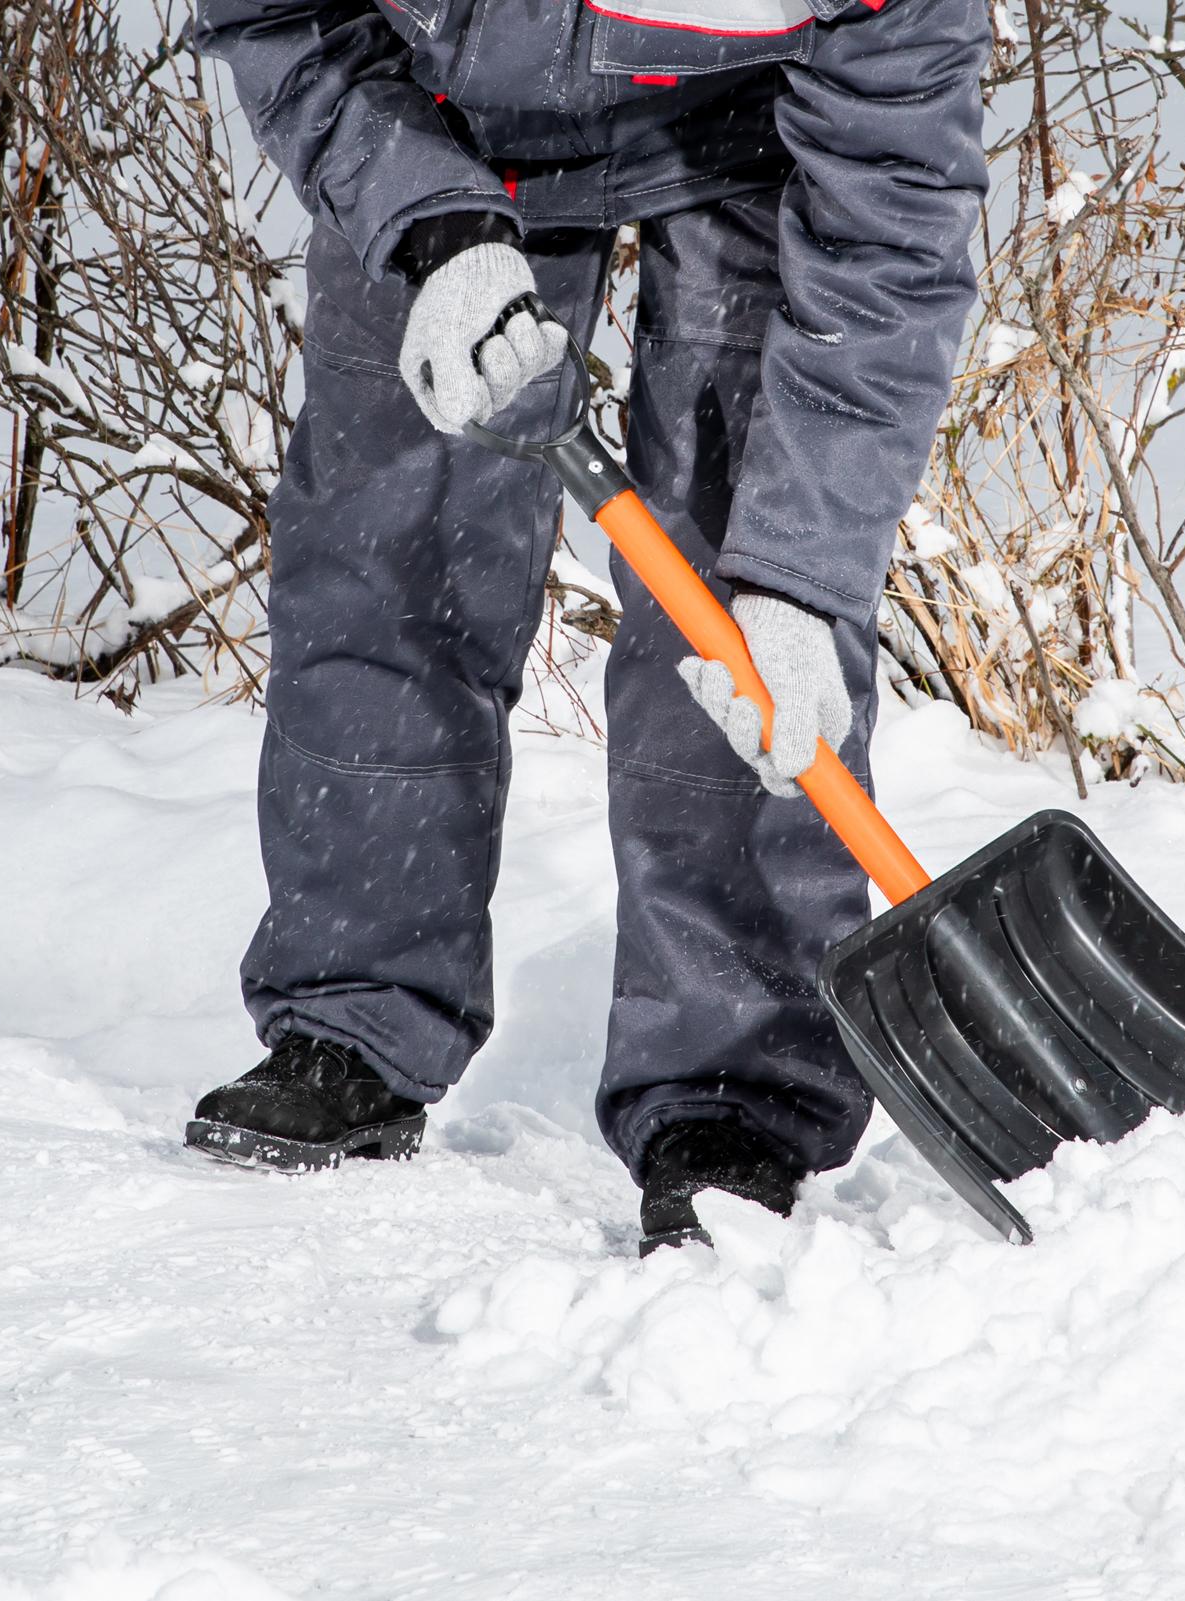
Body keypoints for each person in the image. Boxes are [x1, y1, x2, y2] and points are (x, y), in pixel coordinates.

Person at [185, 0, 989, 1253]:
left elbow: (889, 226)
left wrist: (801, 579)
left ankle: (734, 1095)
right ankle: (354, 1015)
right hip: (432, 110)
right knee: (390, 552)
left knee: (731, 612)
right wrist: (421, 214)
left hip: (752, 130)